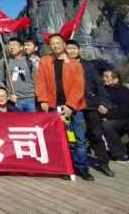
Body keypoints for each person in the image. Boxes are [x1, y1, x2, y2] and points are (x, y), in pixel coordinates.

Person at [35, 35, 92, 181]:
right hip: (54, 107)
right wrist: (43, 99)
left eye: (58, 43)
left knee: (79, 139)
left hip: (75, 108)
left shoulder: (74, 64)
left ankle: (82, 168)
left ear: (64, 44)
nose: (55, 45)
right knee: (61, 140)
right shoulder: (45, 61)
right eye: (52, 43)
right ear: (49, 46)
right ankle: (66, 167)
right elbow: (40, 82)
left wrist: (70, 105)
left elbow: (79, 86)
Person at [65, 40, 114, 177]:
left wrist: (103, 103)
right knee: (74, 136)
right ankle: (76, 164)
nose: (71, 51)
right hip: (73, 105)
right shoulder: (63, 65)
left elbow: (99, 85)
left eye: (74, 48)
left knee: (96, 133)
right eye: (68, 48)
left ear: (78, 50)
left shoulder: (89, 66)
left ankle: (104, 162)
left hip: (90, 104)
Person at [0, 37, 36, 112]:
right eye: (10, 45)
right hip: (14, 101)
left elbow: (36, 81)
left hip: (30, 100)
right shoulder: (4, 62)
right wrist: (8, 95)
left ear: (21, 47)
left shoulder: (30, 62)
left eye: (14, 44)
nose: (11, 47)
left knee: (32, 120)